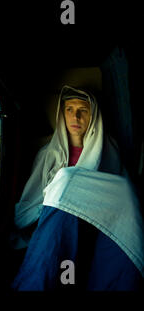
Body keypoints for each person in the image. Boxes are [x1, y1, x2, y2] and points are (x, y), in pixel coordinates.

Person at [10, 85, 143, 290]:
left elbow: (119, 197)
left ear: (93, 115)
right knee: (66, 273)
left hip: (97, 227)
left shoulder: (110, 150)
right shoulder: (48, 154)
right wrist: (61, 195)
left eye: (83, 110)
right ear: (61, 114)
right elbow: (32, 200)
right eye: (69, 109)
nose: (76, 116)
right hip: (61, 230)